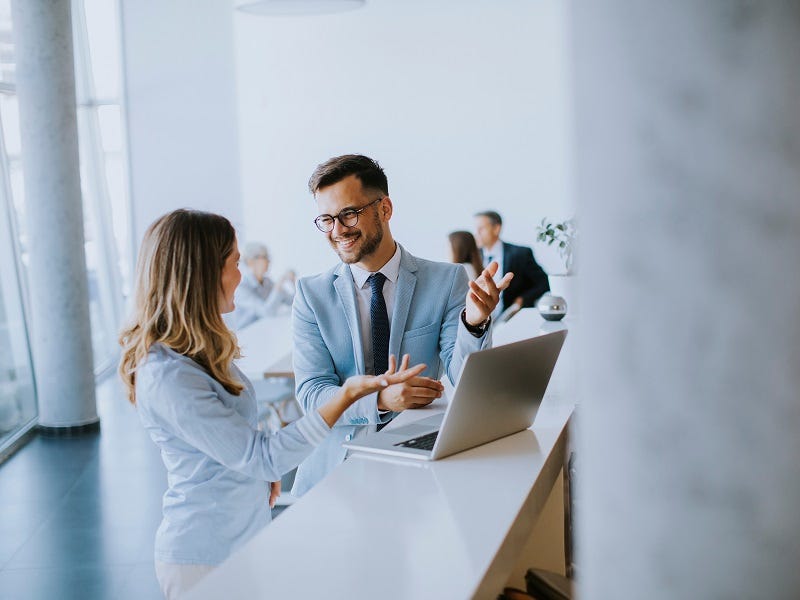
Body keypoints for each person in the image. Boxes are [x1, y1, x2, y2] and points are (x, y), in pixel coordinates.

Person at [118, 209, 425, 600]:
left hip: (240, 541)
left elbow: (237, 444)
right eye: (234, 262)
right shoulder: (167, 375)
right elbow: (262, 456)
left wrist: (257, 471)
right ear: (201, 273)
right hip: (203, 559)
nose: (242, 276)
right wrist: (347, 394)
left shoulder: (199, 351)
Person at [291, 155, 512, 496]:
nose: (337, 231)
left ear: (385, 209)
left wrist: (474, 322)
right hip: (333, 475)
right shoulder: (311, 295)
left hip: (420, 464)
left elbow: (464, 378)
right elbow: (311, 395)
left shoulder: (446, 280)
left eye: (348, 214)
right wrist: (380, 400)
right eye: (326, 219)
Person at [474, 210, 550, 315]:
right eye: (476, 229)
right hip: (480, 320)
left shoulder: (521, 254)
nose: (476, 233)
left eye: (481, 229)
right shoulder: (474, 256)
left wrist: (522, 300)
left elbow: (544, 283)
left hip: (510, 318)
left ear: (496, 229)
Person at [230, 241, 296, 329]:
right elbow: (267, 312)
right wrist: (278, 285)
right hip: (244, 336)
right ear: (251, 262)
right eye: (264, 257)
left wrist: (293, 282)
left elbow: (293, 302)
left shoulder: (267, 282)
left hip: (264, 331)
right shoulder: (241, 287)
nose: (268, 261)